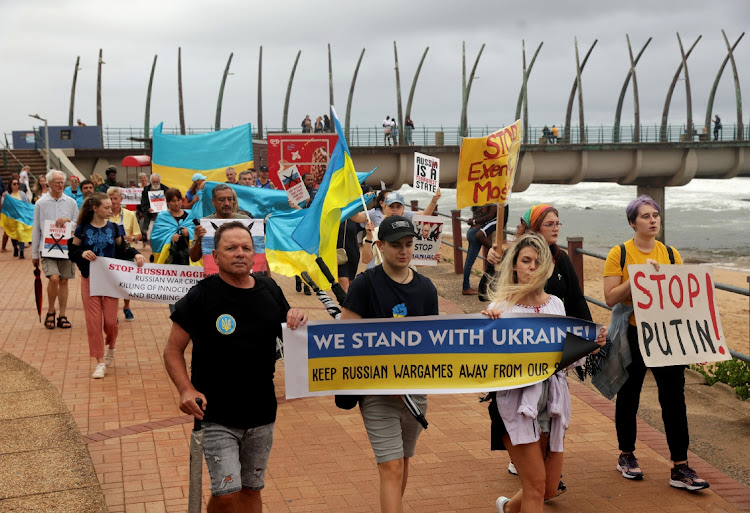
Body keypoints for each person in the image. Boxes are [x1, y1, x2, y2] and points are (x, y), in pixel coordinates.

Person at [164, 221, 307, 513]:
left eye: (246, 247)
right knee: (227, 494)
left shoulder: (269, 288)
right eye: (231, 248)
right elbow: (172, 350)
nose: (240, 253)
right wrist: (185, 389)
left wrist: (297, 316)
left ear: (254, 253)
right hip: (216, 414)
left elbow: (290, 330)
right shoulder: (201, 295)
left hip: (262, 412)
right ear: (215, 256)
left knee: (252, 491)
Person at [483, 233, 606, 513]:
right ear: (514, 265)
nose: (531, 267)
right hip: (515, 404)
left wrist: (590, 346)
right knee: (536, 487)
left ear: (548, 267)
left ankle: (507, 508)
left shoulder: (556, 305)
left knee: (548, 488)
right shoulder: (500, 309)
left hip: (552, 403)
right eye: (526, 260)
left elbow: (560, 358)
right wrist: (486, 326)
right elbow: (487, 361)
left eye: (538, 262)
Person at [603, 195, 709, 490]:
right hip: (634, 334)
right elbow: (611, 297)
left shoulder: (672, 255)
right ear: (632, 222)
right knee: (629, 395)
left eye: (656, 215)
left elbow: (684, 300)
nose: (653, 220)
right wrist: (638, 277)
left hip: (667, 336)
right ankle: (627, 455)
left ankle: (680, 467)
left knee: (674, 399)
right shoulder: (620, 253)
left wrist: (694, 342)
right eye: (646, 216)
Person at [341, 215, 439, 513]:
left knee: (403, 461)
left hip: (414, 394)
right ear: (380, 246)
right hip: (376, 394)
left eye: (409, 244)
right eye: (396, 245)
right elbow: (346, 338)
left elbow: (435, 342)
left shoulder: (426, 288)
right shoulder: (364, 284)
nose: (404, 251)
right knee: (392, 466)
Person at [68, 193, 146, 378]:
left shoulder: (114, 228)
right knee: (93, 322)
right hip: (90, 280)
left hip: (110, 280)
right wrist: (82, 252)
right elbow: (72, 250)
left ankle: (111, 346)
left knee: (110, 322)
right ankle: (99, 362)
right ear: (95, 208)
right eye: (107, 208)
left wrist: (135, 254)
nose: (111, 211)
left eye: (111, 207)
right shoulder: (82, 228)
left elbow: (122, 249)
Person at [32, 170, 79, 329]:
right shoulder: (41, 203)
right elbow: (36, 228)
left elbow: (77, 224)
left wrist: (68, 222)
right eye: (57, 182)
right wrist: (34, 254)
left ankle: (62, 314)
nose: (60, 185)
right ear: (49, 183)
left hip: (66, 247)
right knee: (53, 278)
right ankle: (51, 311)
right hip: (48, 248)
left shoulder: (71, 202)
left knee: (64, 280)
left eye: (62, 182)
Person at [358, 190, 441, 270]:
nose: (395, 210)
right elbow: (366, 260)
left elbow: (413, 262)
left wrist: (432, 257)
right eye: (391, 206)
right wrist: (369, 237)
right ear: (385, 207)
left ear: (403, 209)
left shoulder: (412, 232)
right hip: (384, 278)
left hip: (408, 277)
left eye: (398, 206)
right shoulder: (376, 231)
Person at [190, 184, 250, 263]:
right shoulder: (204, 224)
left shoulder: (246, 221)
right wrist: (199, 240)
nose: (226, 203)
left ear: (233, 201)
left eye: (229, 199)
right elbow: (194, 258)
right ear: (213, 202)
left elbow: (257, 252)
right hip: (214, 272)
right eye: (221, 200)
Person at [108, 187, 142, 321]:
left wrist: (132, 238)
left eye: (115, 198)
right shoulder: (104, 215)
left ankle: (127, 307)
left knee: (127, 284)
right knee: (112, 284)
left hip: (127, 252)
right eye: (110, 199)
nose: (113, 201)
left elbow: (138, 234)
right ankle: (113, 311)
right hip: (110, 253)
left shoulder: (129, 214)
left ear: (121, 199)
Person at [462, 204, 498, 295]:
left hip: (471, 231)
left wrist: (474, 221)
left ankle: (466, 287)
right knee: (469, 262)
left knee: (468, 262)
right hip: (475, 233)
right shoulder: (487, 202)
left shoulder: (476, 202)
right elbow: (489, 216)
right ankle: (466, 288)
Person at [2, 177, 31, 258]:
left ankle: (21, 251)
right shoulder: (7, 194)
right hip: (11, 217)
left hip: (20, 217)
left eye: (17, 184)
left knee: (20, 232)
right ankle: (15, 248)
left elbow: (26, 204)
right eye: (14, 184)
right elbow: (4, 206)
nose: (16, 185)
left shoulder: (22, 194)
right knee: (13, 233)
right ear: (10, 185)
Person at [138, 173, 169, 245]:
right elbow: (143, 204)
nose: (155, 183)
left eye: (157, 182)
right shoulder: (146, 190)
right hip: (151, 217)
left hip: (163, 217)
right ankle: (152, 250)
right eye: (153, 182)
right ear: (151, 181)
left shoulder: (166, 189)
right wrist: (148, 209)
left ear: (159, 181)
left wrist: (166, 208)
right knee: (149, 233)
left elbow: (169, 202)